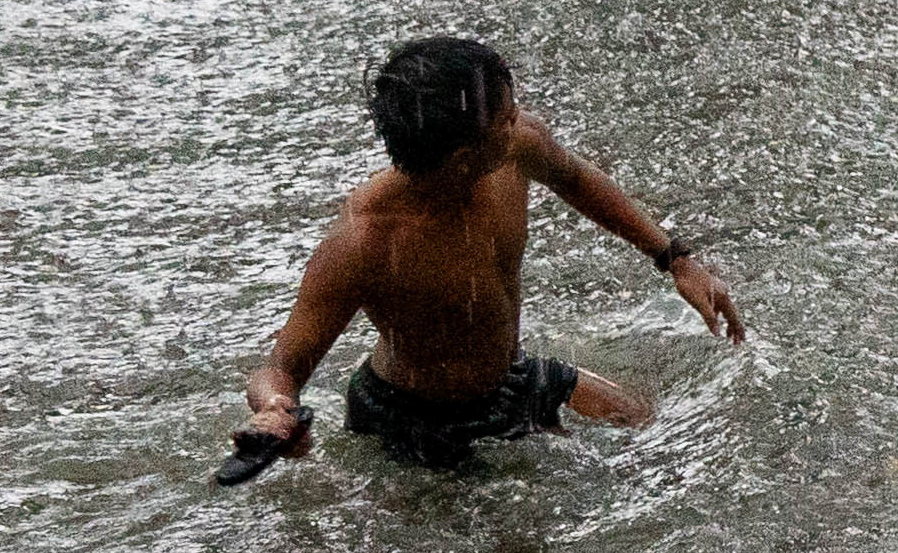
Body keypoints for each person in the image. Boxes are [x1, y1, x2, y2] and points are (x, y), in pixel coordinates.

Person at [222, 35, 747, 476]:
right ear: (464, 154)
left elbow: (576, 178)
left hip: (511, 377)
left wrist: (675, 258)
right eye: (506, 116)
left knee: (650, 428)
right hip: (411, 419)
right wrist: (276, 409)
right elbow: (281, 366)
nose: (521, 121)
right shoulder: (367, 241)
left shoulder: (516, 147)